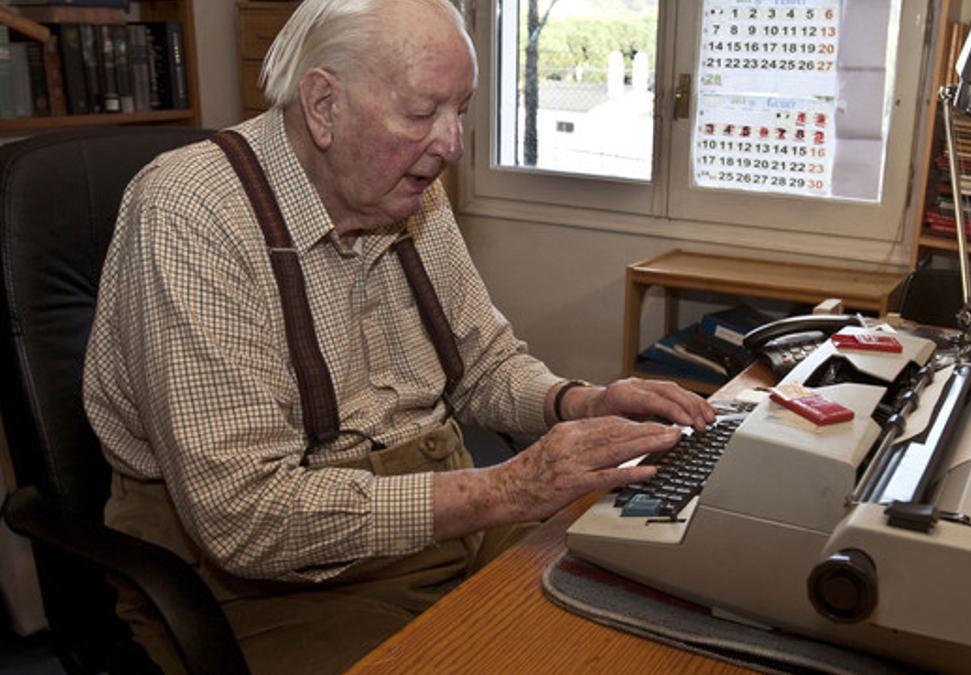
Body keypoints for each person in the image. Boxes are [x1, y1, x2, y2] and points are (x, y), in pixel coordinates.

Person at [82, 1, 715, 673]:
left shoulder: (404, 188)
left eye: (461, 110)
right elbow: (245, 517)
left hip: (439, 527)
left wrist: (580, 403)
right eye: (422, 113)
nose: (452, 144)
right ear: (323, 104)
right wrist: (504, 490)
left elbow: (483, 366)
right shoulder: (191, 212)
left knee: (654, 621)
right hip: (263, 587)